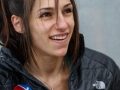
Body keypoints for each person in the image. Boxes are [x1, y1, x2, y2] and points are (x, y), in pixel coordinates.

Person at [0, 0, 120, 90]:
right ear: (19, 24)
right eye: (46, 14)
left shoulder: (104, 72)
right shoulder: (3, 79)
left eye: (67, 11)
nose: (63, 25)